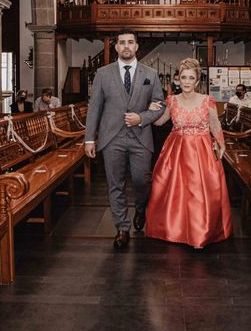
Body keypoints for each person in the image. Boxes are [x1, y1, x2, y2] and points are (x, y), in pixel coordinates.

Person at [84, 29, 165, 249]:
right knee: (115, 184)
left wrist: (141, 117)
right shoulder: (102, 73)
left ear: (137, 46)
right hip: (112, 138)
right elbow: (94, 108)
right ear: (116, 47)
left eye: (131, 42)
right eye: (122, 43)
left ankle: (140, 210)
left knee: (142, 181)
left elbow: (160, 104)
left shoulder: (151, 74)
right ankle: (122, 227)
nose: (127, 46)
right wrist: (89, 139)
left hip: (140, 138)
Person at [146, 58, 232, 248]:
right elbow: (159, 122)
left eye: (190, 78)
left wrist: (221, 144)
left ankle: (199, 233)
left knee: (199, 192)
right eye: (183, 77)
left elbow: (215, 124)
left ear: (197, 81)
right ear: (178, 79)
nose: (186, 81)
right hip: (176, 150)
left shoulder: (206, 100)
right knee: (176, 192)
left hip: (201, 150)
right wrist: (151, 111)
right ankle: (173, 229)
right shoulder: (172, 101)